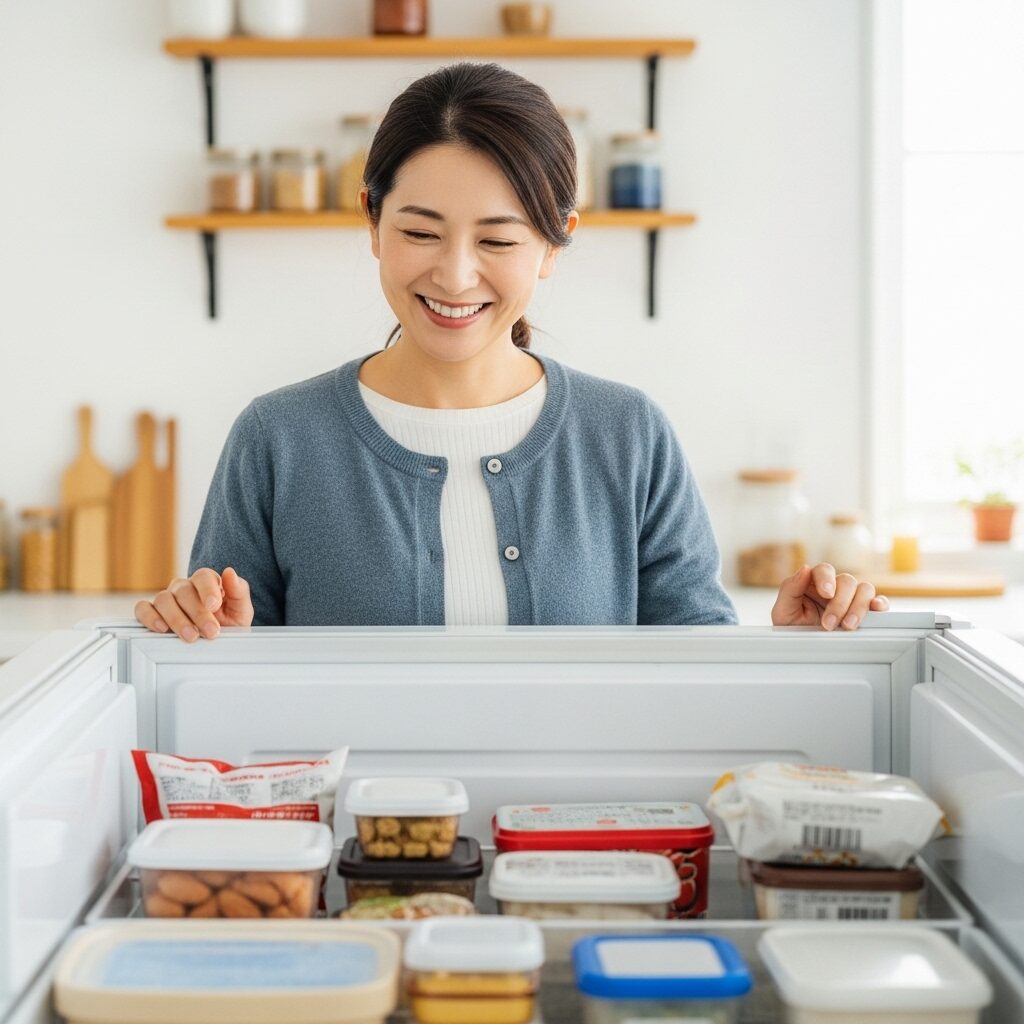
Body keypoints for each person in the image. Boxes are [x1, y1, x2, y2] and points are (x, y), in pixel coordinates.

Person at [134, 62, 889, 641]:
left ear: (555, 240)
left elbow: (697, 680)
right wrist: (196, 633)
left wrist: (790, 653)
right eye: (420, 232)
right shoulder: (277, 439)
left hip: (587, 844)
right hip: (352, 844)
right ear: (371, 220)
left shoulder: (628, 435)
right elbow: (226, 691)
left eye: (497, 239)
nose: (455, 275)